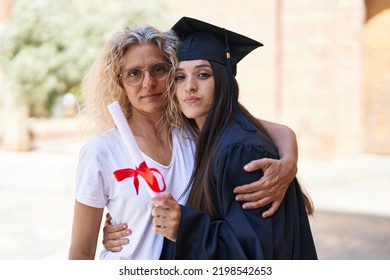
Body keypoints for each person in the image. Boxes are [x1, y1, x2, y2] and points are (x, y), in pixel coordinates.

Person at [68, 23, 299, 260]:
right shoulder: (101, 153)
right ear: (119, 82)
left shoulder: (195, 134)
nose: (148, 84)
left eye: (159, 69)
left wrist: (289, 161)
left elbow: (260, 128)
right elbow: (80, 252)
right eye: (134, 74)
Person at [150, 17, 317, 259]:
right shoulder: (205, 137)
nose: (190, 87)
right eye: (179, 77)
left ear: (225, 80)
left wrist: (185, 226)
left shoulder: (241, 152)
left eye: (203, 75)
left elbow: (255, 253)